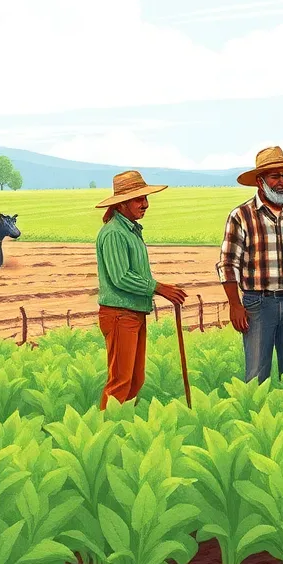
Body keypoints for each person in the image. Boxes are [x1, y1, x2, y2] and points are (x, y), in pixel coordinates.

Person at [217, 146, 283, 382]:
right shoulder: (241, 216)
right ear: (259, 181)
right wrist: (235, 304)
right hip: (257, 303)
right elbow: (227, 263)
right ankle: (256, 417)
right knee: (256, 374)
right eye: (276, 176)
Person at [94, 170, 187, 409]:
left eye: (146, 198)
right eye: (139, 199)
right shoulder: (114, 232)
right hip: (119, 314)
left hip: (132, 313)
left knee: (135, 380)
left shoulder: (130, 230)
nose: (145, 204)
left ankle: (123, 428)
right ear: (122, 203)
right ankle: (107, 431)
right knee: (121, 381)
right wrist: (159, 288)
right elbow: (121, 277)